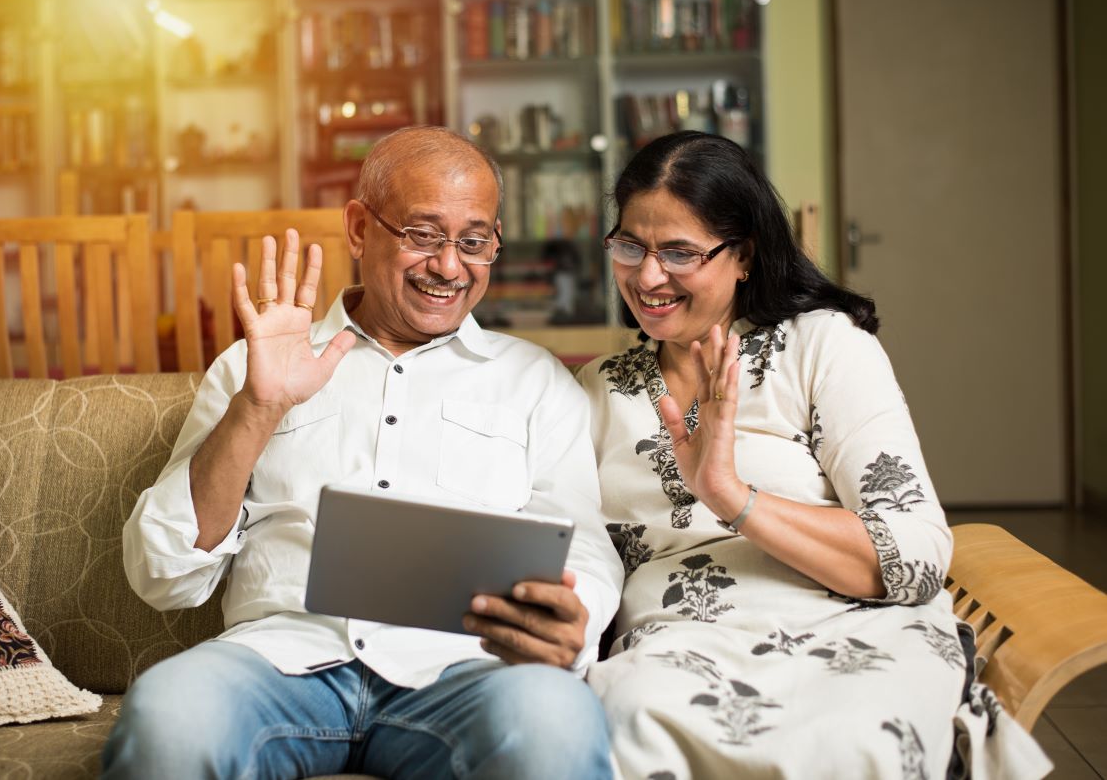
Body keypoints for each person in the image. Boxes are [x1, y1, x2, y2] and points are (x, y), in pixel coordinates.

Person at [104, 126, 623, 780]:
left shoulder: (535, 380)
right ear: (358, 228)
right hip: (281, 661)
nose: (450, 266)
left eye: (474, 241)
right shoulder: (253, 366)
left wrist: (576, 615)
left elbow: (582, 545)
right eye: (423, 234)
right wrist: (258, 407)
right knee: (167, 714)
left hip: (466, 673)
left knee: (556, 719)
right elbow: (161, 572)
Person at [576, 131, 1051, 779]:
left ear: (742, 256)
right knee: (629, 718)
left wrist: (731, 497)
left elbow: (914, 556)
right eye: (629, 245)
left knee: (855, 736)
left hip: (848, 631)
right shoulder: (598, 389)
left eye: (679, 252)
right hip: (671, 648)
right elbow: (577, 549)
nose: (648, 275)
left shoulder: (822, 347)